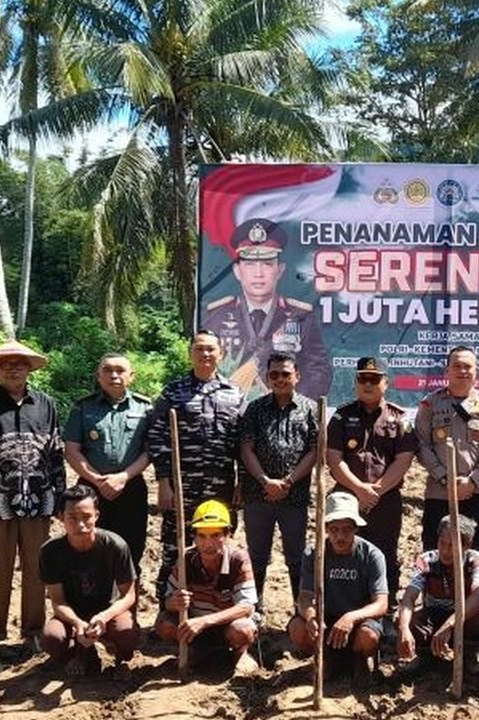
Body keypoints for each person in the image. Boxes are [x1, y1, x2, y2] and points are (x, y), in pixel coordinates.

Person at [0, 340, 66, 659]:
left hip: (39, 501)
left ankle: (33, 632)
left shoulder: (45, 404)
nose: (13, 368)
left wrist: (60, 497)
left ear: (29, 368)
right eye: (5, 364)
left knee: (38, 568)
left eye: (19, 363)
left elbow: (55, 453)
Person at [147, 331, 246, 602]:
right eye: (199, 349)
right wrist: (164, 482)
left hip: (221, 489)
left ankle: (216, 608)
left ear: (221, 354)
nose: (205, 354)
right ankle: (167, 610)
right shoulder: (173, 392)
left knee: (218, 548)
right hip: (182, 487)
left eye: (210, 349)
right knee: (174, 548)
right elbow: (158, 436)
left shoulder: (234, 394)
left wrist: (242, 482)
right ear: (191, 353)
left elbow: (243, 442)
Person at [326, 356, 418, 614]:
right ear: (356, 382)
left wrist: (375, 490)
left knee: (385, 551)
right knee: (343, 549)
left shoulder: (400, 419)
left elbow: (404, 460)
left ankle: (384, 608)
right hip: (347, 497)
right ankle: (345, 603)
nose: (368, 384)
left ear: (385, 383)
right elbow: (334, 460)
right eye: (362, 379)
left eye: (374, 379)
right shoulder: (341, 417)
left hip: (385, 498)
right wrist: (359, 490)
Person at [201, 218, 331, 398]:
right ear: (238, 271)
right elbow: (204, 365)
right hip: (229, 412)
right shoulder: (217, 315)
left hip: (282, 412)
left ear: (280, 270)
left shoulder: (300, 316)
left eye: (267, 264)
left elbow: (318, 370)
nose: (258, 273)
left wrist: (294, 403)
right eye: (250, 264)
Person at [63, 353, 152, 593]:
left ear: (131, 376)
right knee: (90, 545)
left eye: (120, 370)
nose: (114, 375)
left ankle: (126, 613)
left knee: (131, 548)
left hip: (131, 487)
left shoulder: (145, 408)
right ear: (98, 376)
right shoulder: (83, 407)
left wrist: (122, 477)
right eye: (108, 370)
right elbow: (72, 450)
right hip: (91, 489)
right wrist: (97, 480)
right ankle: (92, 606)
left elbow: (149, 451)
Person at [238, 351, 318, 618]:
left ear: (297, 375)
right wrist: (265, 481)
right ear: (266, 378)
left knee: (297, 557)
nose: (280, 379)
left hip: (294, 497)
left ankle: (300, 610)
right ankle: (255, 608)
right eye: (274, 374)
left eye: (286, 374)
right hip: (257, 495)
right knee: (257, 556)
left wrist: (288, 482)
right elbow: (246, 449)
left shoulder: (311, 409)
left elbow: (315, 451)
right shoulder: (255, 409)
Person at [38, 484, 138, 676]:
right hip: (72, 612)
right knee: (52, 639)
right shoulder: (50, 552)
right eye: (72, 518)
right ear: (61, 518)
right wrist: (76, 623)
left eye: (86, 517)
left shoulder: (115, 545)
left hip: (107, 610)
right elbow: (58, 601)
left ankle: (116, 653)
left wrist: (103, 617)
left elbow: (129, 595)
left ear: (97, 515)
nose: (81, 525)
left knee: (128, 634)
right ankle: (80, 653)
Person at [288, 493, 389, 679]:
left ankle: (359, 659)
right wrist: (311, 616)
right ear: (325, 528)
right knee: (297, 628)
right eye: (334, 529)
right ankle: (325, 659)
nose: (340, 536)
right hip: (326, 620)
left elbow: (381, 604)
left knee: (368, 637)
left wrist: (351, 617)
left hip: (359, 622)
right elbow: (304, 596)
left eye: (347, 529)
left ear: (356, 528)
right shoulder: (314, 553)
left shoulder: (372, 555)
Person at [415, 346, 479, 553]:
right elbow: (421, 445)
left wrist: (473, 481)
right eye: (457, 366)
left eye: (467, 366)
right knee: (435, 554)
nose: (462, 371)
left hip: (473, 493)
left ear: (476, 371)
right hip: (439, 493)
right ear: (446, 372)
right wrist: (446, 479)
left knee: (475, 554)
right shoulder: (430, 404)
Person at [155, 499, 259, 672]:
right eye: (202, 536)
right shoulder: (186, 559)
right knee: (164, 624)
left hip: (227, 625)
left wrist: (205, 621)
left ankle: (240, 654)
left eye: (215, 535)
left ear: (227, 535)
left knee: (243, 629)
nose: (208, 544)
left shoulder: (238, 559)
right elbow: (166, 601)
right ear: (194, 537)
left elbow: (247, 606)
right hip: (196, 628)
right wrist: (174, 602)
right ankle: (195, 651)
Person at [396, 514, 479, 669]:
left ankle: (470, 654)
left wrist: (450, 624)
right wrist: (403, 627)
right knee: (409, 619)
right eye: (442, 543)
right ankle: (426, 654)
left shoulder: (476, 561)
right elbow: (409, 597)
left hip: (463, 618)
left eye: (452, 545)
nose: (445, 550)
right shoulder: (425, 560)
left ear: (467, 545)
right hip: (433, 614)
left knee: (477, 618)